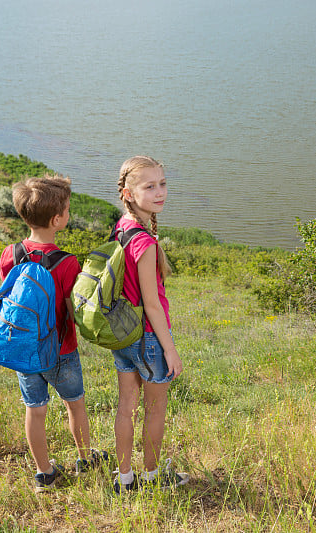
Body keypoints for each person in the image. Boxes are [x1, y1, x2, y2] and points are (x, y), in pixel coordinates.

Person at [0, 175, 107, 492]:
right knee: (75, 405)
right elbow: (72, 308)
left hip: (25, 351)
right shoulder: (66, 262)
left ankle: (44, 473)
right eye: (68, 210)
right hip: (61, 350)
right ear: (58, 219)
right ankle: (85, 458)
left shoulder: (10, 253)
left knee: (35, 410)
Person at [112, 155, 188, 493]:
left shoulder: (123, 225)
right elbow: (152, 304)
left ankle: (125, 478)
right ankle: (154, 476)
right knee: (154, 411)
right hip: (149, 339)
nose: (160, 192)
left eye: (163, 183)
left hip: (123, 335)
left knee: (126, 408)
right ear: (129, 193)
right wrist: (170, 350)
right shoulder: (144, 241)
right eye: (149, 186)